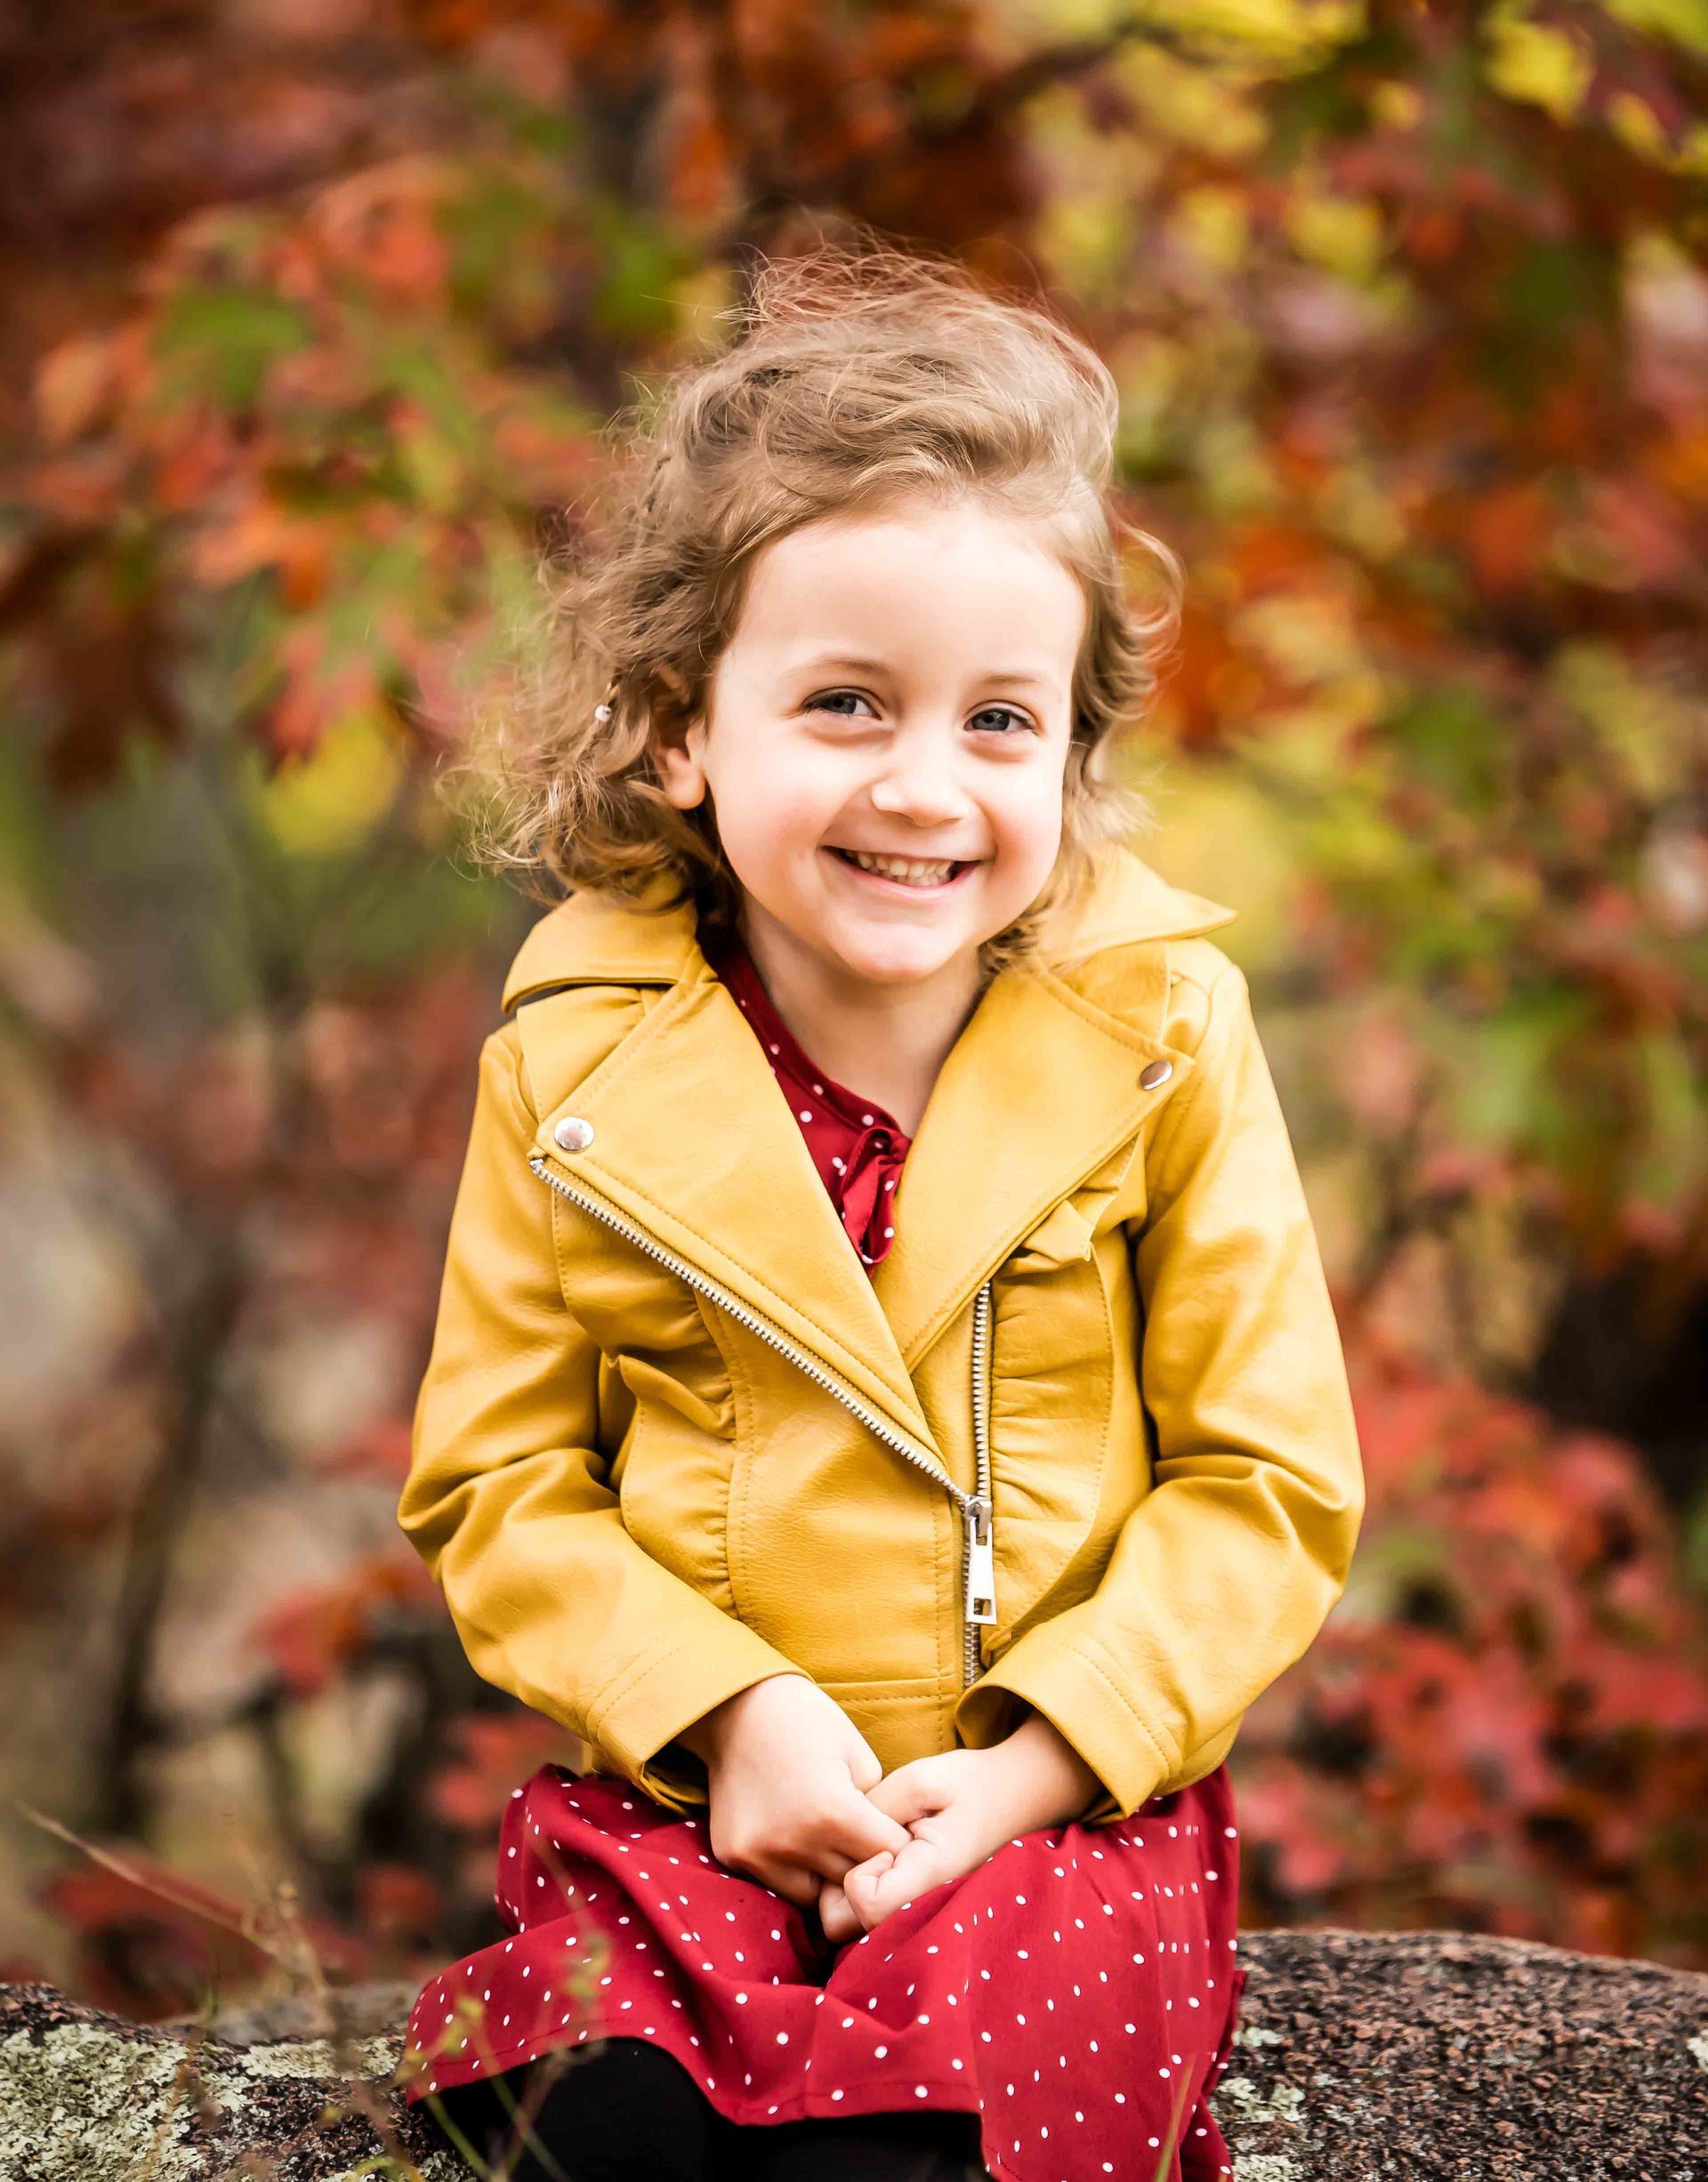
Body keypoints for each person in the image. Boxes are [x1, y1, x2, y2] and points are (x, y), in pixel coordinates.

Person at [394, 242, 1365, 2182]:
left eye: (1000, 723)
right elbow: (499, 1484)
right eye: (846, 704)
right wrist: (724, 1710)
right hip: (704, 1803)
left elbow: (1269, 1480)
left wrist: (1036, 1764)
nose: (926, 787)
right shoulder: (576, 1062)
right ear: (684, 726)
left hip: (1055, 1813)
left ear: (1074, 759)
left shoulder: (1165, 1034)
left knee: (911, 2156)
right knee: (601, 2135)